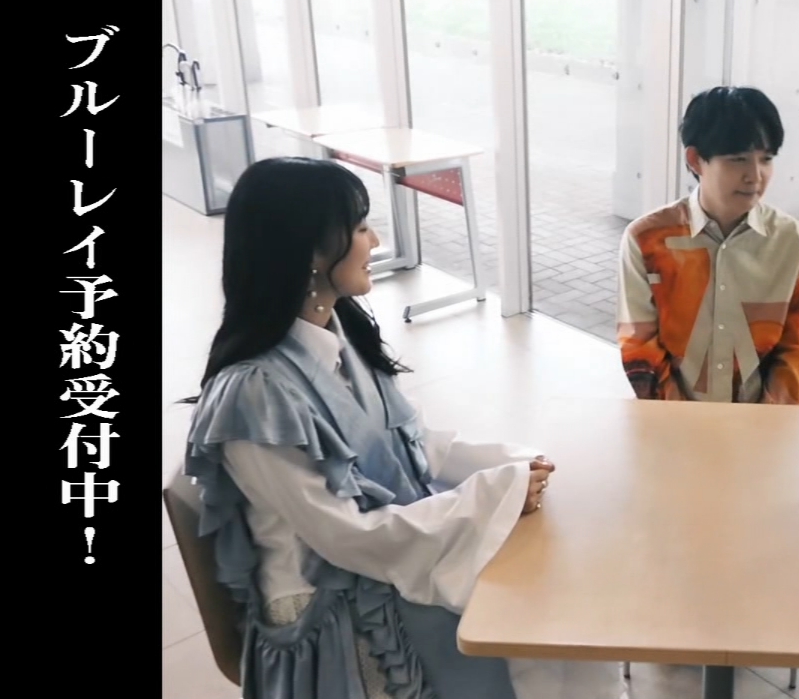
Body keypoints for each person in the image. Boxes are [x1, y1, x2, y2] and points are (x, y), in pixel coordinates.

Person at [180, 157, 623, 699]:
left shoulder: (340, 335)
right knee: (541, 622)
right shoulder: (253, 396)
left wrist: (514, 465)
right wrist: (492, 496)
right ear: (312, 252)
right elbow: (347, 537)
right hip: (333, 616)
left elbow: (415, 445)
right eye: (361, 227)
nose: (375, 241)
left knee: (559, 589)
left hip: (379, 560)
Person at [616, 86, 799, 404]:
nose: (755, 176)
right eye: (738, 159)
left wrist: (763, 420)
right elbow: (638, 342)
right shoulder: (646, 239)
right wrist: (681, 420)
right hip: (670, 420)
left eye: (766, 159)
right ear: (695, 160)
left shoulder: (794, 243)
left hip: (767, 424)